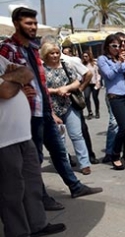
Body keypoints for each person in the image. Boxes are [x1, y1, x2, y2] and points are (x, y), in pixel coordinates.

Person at [0, 7, 102, 211]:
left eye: (34, 23)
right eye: (28, 23)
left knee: (58, 150)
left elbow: (39, 82)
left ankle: (74, 186)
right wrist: (19, 85)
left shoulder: (32, 48)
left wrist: (50, 110)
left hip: (43, 109)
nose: (33, 27)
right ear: (16, 24)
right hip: (27, 113)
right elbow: (6, 80)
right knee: (34, 159)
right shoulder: (8, 49)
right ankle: (41, 198)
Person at [0, 55, 66, 237]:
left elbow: (28, 73)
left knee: (32, 182)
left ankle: (38, 224)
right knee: (11, 191)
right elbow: (5, 91)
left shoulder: (1, 60)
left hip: (22, 134)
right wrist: (16, 80)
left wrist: (12, 77)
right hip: (4, 140)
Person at [41, 42, 92, 175]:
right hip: (52, 107)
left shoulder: (66, 65)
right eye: (52, 53)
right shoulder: (41, 69)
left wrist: (67, 88)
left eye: (57, 52)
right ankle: (65, 165)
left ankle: (84, 163)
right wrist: (56, 91)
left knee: (77, 135)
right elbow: (41, 88)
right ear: (46, 54)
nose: (55, 55)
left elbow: (76, 81)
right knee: (59, 138)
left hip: (69, 104)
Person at [98, 33, 125, 170]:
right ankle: (114, 154)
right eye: (114, 46)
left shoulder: (122, 59)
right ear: (107, 46)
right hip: (115, 96)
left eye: (119, 46)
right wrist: (120, 63)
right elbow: (109, 75)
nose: (117, 48)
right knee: (123, 127)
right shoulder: (103, 60)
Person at [82, 51, 101, 119]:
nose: (85, 58)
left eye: (86, 56)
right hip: (87, 84)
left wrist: (98, 82)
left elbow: (98, 74)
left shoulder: (94, 64)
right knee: (86, 97)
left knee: (95, 97)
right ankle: (90, 112)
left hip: (95, 83)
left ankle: (97, 111)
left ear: (89, 56)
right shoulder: (82, 65)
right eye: (84, 56)